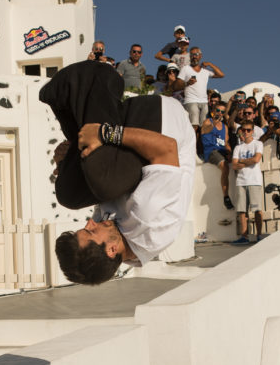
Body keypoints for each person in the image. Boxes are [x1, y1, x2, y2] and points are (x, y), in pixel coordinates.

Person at [43, 61, 195, 284]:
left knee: (68, 194)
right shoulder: (151, 222)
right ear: (112, 250)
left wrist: (68, 160)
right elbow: (167, 148)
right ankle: (97, 77)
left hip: (132, 140)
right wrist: (105, 133)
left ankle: (63, 98)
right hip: (160, 121)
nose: (89, 223)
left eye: (85, 229)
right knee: (106, 184)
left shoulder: (111, 236)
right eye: (91, 233)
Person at [173, 46, 224, 131]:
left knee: (203, 127)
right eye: (192, 55)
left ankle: (199, 144)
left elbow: (221, 75)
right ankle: (193, 144)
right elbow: (176, 86)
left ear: (200, 56)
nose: (194, 56)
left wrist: (210, 64)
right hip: (191, 100)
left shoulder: (205, 71)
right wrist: (187, 83)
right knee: (194, 126)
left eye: (196, 54)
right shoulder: (185, 69)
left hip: (204, 102)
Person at [230, 123, 265, 244]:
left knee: (257, 209)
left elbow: (256, 159)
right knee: (241, 210)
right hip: (241, 181)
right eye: (243, 130)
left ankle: (259, 235)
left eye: (248, 130)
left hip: (254, 181)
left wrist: (242, 161)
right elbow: (234, 165)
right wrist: (247, 162)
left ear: (252, 131)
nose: (245, 132)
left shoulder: (258, 144)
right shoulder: (238, 147)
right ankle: (244, 236)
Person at [199, 104, 233, 209]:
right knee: (225, 166)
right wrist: (214, 123)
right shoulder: (208, 122)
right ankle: (226, 197)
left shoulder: (225, 127)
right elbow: (205, 130)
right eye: (218, 110)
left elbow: (226, 143)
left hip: (221, 150)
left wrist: (230, 153)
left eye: (222, 112)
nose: (220, 113)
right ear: (213, 110)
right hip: (211, 151)